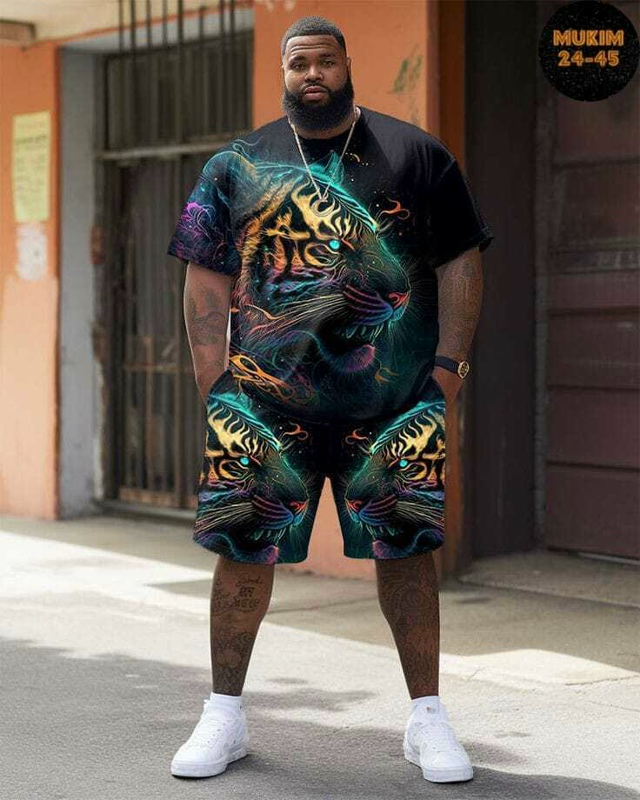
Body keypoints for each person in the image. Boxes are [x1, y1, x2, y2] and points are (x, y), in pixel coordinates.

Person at [166, 15, 493, 785]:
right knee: (242, 557)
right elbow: (204, 276)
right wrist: (215, 385)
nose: (312, 74)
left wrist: (447, 373)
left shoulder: (416, 154)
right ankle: (223, 713)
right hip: (261, 405)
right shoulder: (237, 164)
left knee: (408, 558)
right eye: (298, 63)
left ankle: (428, 717)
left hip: (394, 404)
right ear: (284, 73)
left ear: (347, 65)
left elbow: (461, 261)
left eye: (325, 61)